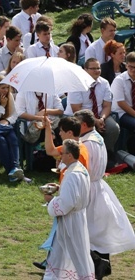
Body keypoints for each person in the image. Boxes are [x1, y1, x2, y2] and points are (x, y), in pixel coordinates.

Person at [73, 109, 135, 275]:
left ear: (84, 124)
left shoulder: (87, 143)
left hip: (89, 188)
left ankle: (98, 264)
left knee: (87, 229)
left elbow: (85, 168)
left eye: (76, 122)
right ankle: (100, 265)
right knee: (98, 229)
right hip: (98, 187)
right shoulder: (96, 138)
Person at [41, 139, 94, 280]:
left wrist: (51, 201)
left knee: (75, 253)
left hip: (71, 221)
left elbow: (66, 204)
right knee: (62, 252)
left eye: (62, 153)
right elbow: (76, 193)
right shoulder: (80, 169)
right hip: (78, 218)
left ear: (70, 155)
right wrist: (60, 188)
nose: (60, 156)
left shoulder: (71, 175)